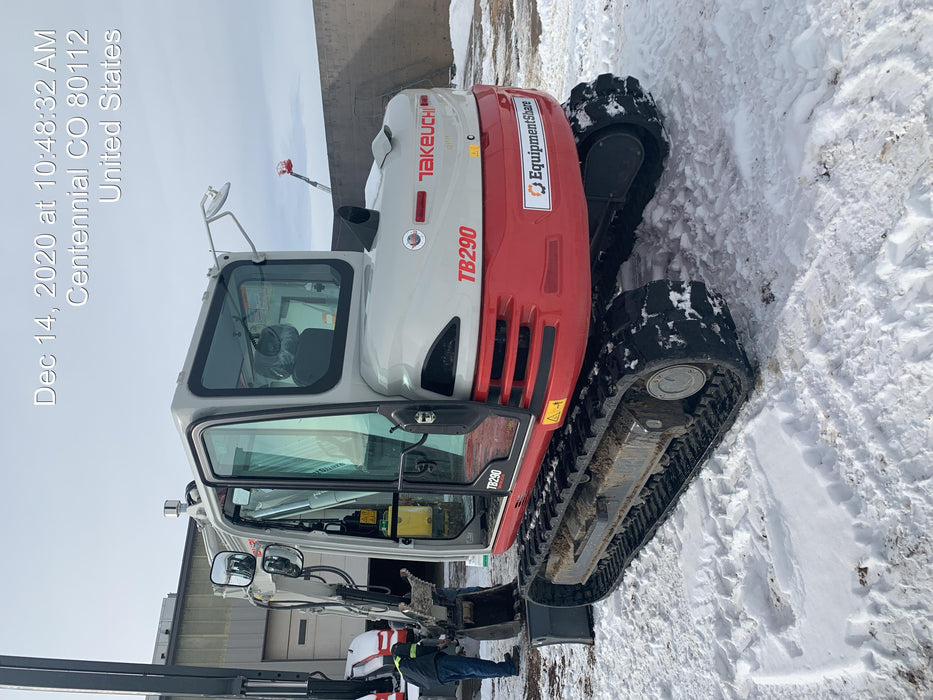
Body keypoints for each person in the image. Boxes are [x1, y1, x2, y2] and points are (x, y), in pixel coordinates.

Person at [391, 641, 519, 690]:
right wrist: (439, 647)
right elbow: (418, 651)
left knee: (472, 672)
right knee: (473, 666)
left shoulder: (403, 673)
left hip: (439, 679)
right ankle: (510, 668)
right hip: (437, 666)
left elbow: (422, 682)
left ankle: (505, 669)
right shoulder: (398, 651)